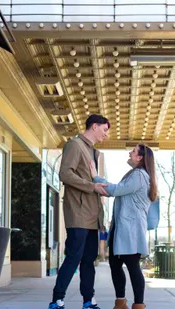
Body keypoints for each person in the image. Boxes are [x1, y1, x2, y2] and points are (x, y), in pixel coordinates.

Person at [48, 114, 110, 309]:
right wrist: (92, 186)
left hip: (93, 216)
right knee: (74, 256)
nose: (106, 134)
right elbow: (65, 174)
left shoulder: (93, 152)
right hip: (79, 214)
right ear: (94, 126)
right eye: (104, 129)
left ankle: (88, 301)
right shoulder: (75, 145)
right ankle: (57, 300)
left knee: (88, 260)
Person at [89, 144, 157, 309]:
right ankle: (120, 302)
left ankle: (138, 305)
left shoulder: (140, 175)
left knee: (133, 268)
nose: (130, 153)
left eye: (133, 151)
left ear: (140, 157)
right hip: (121, 230)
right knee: (115, 265)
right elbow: (117, 190)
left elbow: (115, 190)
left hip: (130, 231)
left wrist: (95, 177)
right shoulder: (134, 174)